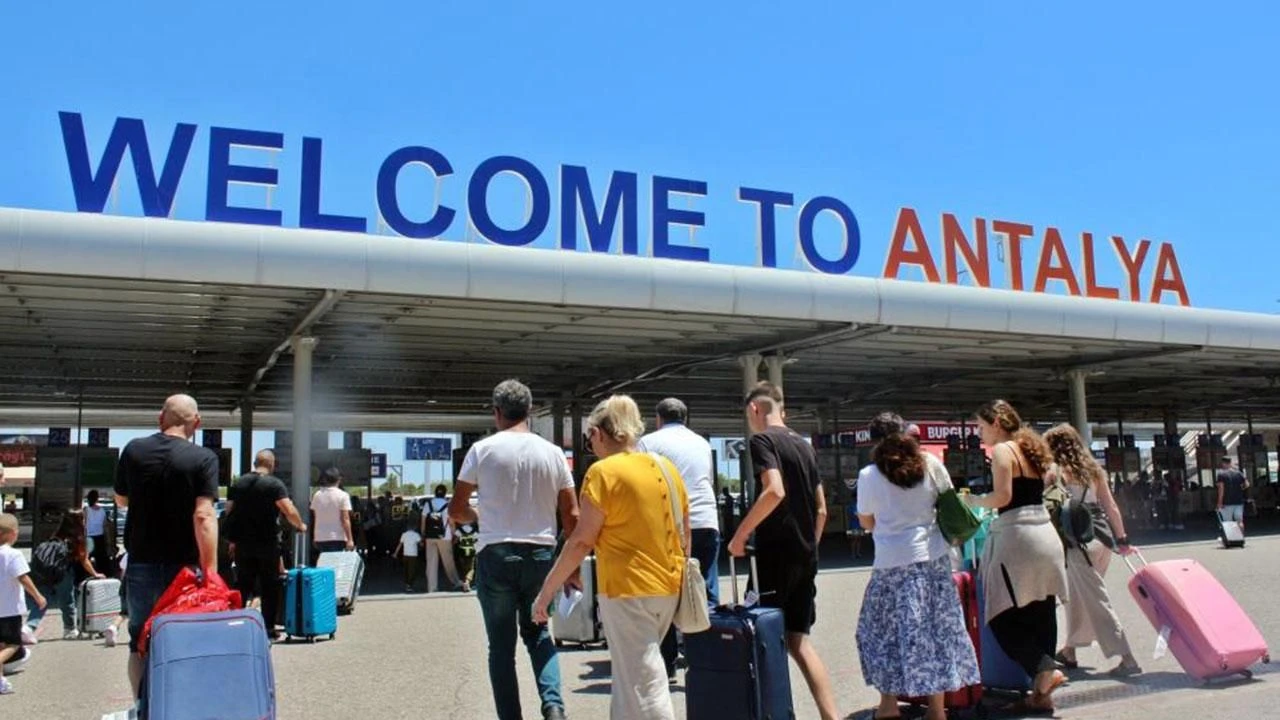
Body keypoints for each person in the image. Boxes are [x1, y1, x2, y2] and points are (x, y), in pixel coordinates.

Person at [533, 394, 688, 720]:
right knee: (630, 678)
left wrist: (547, 592)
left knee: (646, 683)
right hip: (668, 587)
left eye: (589, 436)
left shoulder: (604, 473)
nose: (591, 443)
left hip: (628, 589)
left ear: (601, 433)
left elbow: (581, 541)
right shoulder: (666, 468)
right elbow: (684, 533)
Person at [448, 379, 578, 720]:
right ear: (530, 411)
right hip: (541, 555)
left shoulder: (482, 450)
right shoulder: (553, 454)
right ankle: (553, 707)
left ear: (496, 412)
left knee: (501, 649)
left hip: (496, 554)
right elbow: (571, 513)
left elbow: (456, 510)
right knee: (538, 634)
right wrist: (572, 566)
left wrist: (477, 515)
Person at [855, 413, 980, 720]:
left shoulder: (869, 475)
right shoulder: (930, 464)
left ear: (874, 441)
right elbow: (949, 502)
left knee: (883, 633)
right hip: (933, 561)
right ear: (907, 434)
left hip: (890, 564)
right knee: (933, 634)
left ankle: (888, 706)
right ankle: (937, 710)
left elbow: (866, 520)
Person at [727, 382, 841, 720]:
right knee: (798, 641)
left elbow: (773, 490)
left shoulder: (762, 440)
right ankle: (830, 716)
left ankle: (769, 712)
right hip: (806, 556)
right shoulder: (805, 446)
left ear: (754, 410)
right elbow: (821, 509)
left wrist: (740, 535)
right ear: (782, 409)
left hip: (774, 557)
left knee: (760, 638)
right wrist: (809, 546)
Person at [964, 400, 1068, 713]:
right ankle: (1040, 695)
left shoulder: (1002, 451)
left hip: (1017, 537)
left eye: (981, 427)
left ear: (996, 422)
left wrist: (973, 500)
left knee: (1001, 616)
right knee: (1042, 610)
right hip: (1045, 535)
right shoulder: (1031, 449)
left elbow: (1003, 496)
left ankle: (1046, 669)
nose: (980, 434)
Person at [113, 394, 220, 699]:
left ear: (161, 418)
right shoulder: (203, 458)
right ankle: (179, 704)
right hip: (184, 568)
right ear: (196, 423)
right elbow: (203, 515)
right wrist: (210, 570)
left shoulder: (133, 450)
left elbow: (121, 499)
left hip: (141, 562)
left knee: (139, 641)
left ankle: (142, 706)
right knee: (185, 638)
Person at [1042, 424, 1141, 677]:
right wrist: (1122, 538)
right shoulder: (1094, 470)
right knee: (1079, 596)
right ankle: (1069, 651)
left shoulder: (1055, 472)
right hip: (1101, 539)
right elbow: (1111, 506)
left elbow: (1048, 506)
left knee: (1095, 600)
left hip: (1077, 542)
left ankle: (1127, 658)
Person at [636, 397, 719, 680]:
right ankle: (708, 658)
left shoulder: (648, 443)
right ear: (686, 418)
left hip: (670, 524)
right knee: (703, 588)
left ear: (658, 418)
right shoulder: (702, 443)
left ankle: (668, 663)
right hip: (706, 520)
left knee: (667, 591)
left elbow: (643, 486)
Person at [225, 450, 307, 640]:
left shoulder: (239, 483)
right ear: (272, 464)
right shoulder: (274, 484)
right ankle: (269, 628)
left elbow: (229, 510)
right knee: (269, 586)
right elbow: (288, 509)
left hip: (243, 544)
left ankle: (234, 624)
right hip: (267, 543)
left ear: (255, 463)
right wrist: (300, 525)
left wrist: (232, 540)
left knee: (243, 584)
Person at [26, 510, 103, 640]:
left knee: (43, 600)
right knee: (67, 600)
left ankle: (28, 627)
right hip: (63, 572)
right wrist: (95, 573)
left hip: (45, 572)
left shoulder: (57, 535)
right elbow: (84, 560)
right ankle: (69, 629)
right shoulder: (77, 537)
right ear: (81, 521)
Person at [1, 513, 46, 695]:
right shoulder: (13, 554)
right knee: (13, 644)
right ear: (12, 533)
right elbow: (22, 577)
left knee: (2, 645)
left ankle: (1, 680)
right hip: (9, 609)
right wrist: (38, 596)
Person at [422, 484, 461, 592]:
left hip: (430, 536)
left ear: (435, 493)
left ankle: (432, 587)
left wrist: (423, 534)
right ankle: (455, 582)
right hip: (445, 536)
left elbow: (423, 521)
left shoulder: (428, 504)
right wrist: (454, 535)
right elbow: (452, 523)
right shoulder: (448, 505)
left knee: (431, 563)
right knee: (448, 561)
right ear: (444, 493)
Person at [311, 468, 354, 556]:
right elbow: (345, 519)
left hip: (320, 537)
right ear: (339, 480)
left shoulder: (317, 495)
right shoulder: (343, 495)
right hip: (337, 537)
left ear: (325, 480)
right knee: (335, 566)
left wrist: (315, 536)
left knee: (324, 565)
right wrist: (350, 539)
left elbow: (316, 517)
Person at [84, 490, 114, 578]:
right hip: (100, 537)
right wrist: (108, 541)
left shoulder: (86, 510)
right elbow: (105, 527)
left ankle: (87, 575)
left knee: (87, 558)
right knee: (102, 559)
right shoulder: (102, 511)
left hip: (88, 537)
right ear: (97, 499)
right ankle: (105, 575)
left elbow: (83, 523)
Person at [1216, 456, 1250, 531]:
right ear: (1230, 463)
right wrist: (1240, 489)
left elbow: (1221, 489)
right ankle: (1241, 537)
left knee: (1228, 522)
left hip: (1227, 502)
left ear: (1223, 463)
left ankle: (1231, 539)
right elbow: (1247, 484)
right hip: (1238, 501)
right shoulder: (1238, 473)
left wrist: (1219, 502)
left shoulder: (1221, 474)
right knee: (1240, 521)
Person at [393, 525, 422, 592]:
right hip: (413, 555)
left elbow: (400, 544)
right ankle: (409, 585)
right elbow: (421, 544)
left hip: (405, 554)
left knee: (406, 570)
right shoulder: (416, 534)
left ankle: (407, 584)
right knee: (412, 570)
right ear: (414, 528)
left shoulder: (404, 534)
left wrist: (395, 553)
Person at [454, 520, 479, 592]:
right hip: (471, 551)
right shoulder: (474, 531)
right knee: (471, 568)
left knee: (463, 568)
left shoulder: (459, 530)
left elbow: (455, 540)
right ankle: (467, 582)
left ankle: (464, 581)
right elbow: (477, 540)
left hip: (462, 552)